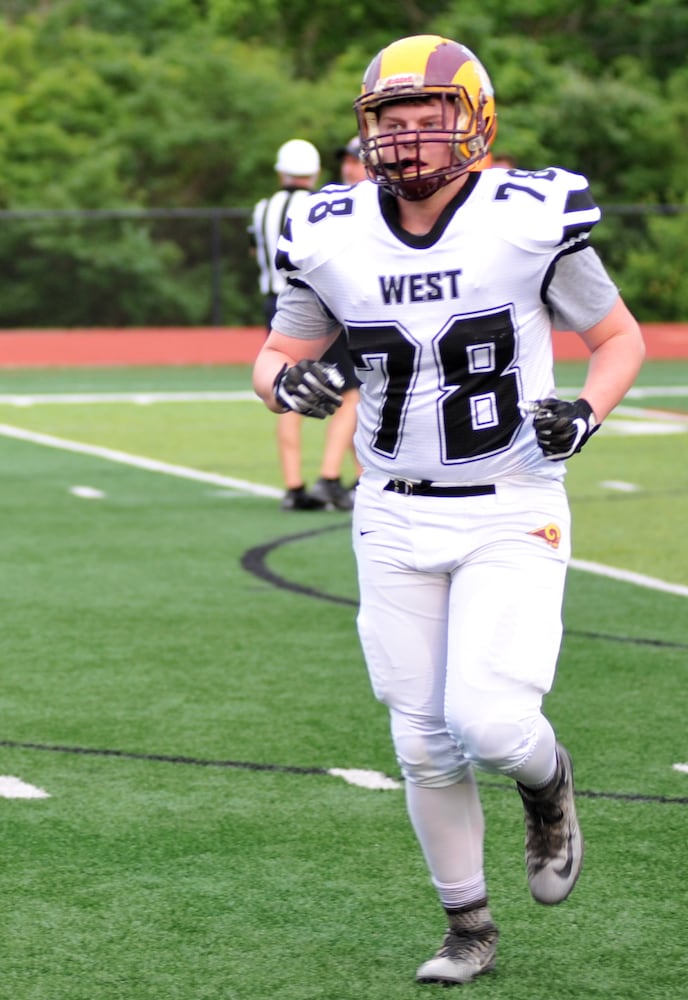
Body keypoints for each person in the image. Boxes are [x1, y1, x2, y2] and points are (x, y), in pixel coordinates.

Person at [252, 34, 646, 985]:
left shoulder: (527, 215)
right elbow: (273, 356)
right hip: (390, 509)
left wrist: (584, 414)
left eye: (428, 114)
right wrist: (287, 387)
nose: (408, 134)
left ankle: (547, 783)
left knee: (492, 722)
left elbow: (618, 337)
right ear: (365, 128)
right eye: (391, 117)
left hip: (510, 499)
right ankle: (468, 925)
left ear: (474, 120)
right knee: (420, 739)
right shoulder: (331, 227)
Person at [249, 138, 360, 511]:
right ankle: (329, 477)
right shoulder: (320, 204)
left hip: (273, 302)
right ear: (313, 173)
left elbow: (256, 251)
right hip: (318, 303)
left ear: (281, 170)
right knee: (349, 391)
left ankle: (292, 484)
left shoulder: (263, 208)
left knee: (286, 387)